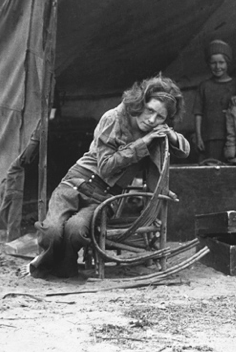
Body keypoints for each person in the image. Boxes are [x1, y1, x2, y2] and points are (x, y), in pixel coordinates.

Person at [28, 75, 190, 278]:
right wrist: (142, 143)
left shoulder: (156, 133)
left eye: (160, 117)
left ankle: (64, 269)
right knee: (51, 231)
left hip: (107, 197)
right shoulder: (113, 118)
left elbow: (183, 150)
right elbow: (106, 167)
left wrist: (171, 134)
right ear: (140, 103)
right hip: (76, 182)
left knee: (75, 230)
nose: (151, 120)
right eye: (150, 111)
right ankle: (48, 264)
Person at [193, 40, 236, 163]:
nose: (217, 67)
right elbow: (198, 113)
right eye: (213, 63)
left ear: (227, 62)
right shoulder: (204, 86)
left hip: (232, 138)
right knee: (211, 168)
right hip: (210, 138)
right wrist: (198, 137)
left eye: (221, 62)